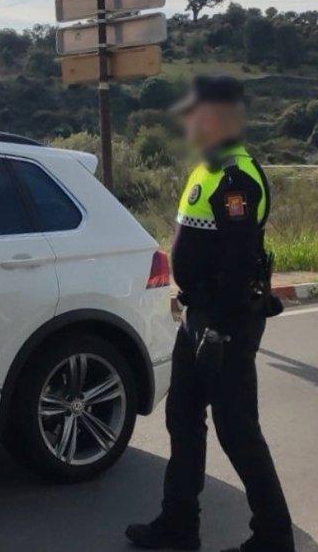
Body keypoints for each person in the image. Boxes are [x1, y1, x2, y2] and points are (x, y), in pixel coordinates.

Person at [125, 76, 293, 552]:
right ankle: (179, 527)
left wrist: (217, 323)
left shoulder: (236, 176)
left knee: (238, 432)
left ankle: (274, 538)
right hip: (200, 320)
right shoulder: (210, 169)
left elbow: (240, 261)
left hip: (224, 324)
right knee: (182, 419)